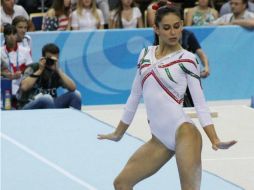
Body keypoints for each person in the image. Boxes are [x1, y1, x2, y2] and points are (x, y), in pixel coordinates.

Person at [98, 1, 237, 190]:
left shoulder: (187, 59)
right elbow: (134, 96)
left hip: (184, 132)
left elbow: (200, 103)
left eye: (177, 27)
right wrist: (118, 133)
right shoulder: (145, 54)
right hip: (159, 139)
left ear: (181, 25)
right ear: (156, 28)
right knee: (121, 183)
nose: (173, 32)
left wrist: (215, 139)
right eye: (167, 28)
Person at [17, 43, 82, 110]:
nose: (51, 62)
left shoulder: (56, 71)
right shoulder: (34, 68)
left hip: (51, 105)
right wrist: (40, 70)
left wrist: (59, 71)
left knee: (76, 95)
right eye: (49, 59)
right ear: (43, 57)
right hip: (29, 104)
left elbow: (73, 88)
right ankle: (52, 119)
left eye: (54, 60)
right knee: (47, 98)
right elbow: (24, 87)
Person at [1, 24, 33, 97]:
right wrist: (4, 74)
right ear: (5, 37)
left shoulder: (25, 51)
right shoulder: (0, 52)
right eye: (9, 34)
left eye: (14, 34)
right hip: (4, 87)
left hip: (22, 87)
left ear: (16, 35)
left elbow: (31, 69)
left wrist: (22, 73)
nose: (11, 37)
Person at [181, 28, 210, 107]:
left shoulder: (188, 35)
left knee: (194, 106)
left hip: (188, 78)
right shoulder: (162, 36)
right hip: (170, 78)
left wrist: (206, 67)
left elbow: (201, 54)